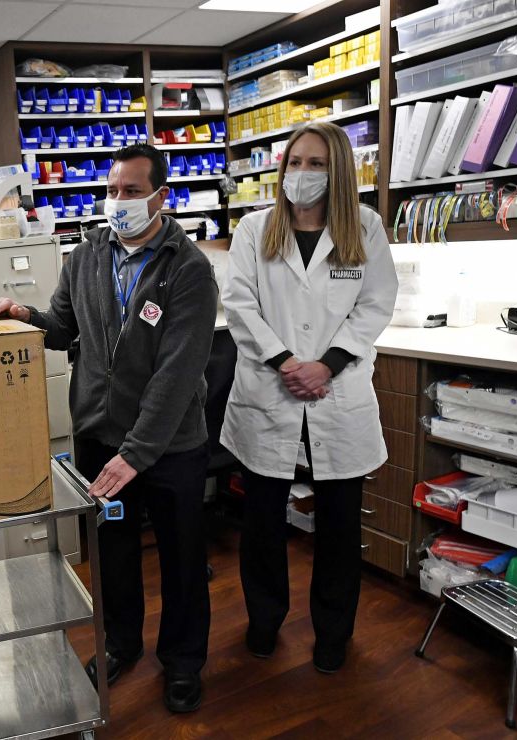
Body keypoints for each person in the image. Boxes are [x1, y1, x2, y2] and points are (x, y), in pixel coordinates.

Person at [0, 144, 217, 713]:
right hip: (98, 434)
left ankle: (183, 662)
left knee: (183, 558)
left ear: (162, 197)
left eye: (132, 191)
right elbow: (65, 328)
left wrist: (136, 454)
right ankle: (120, 643)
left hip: (168, 447)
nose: (118, 202)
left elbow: (177, 375)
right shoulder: (86, 255)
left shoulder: (189, 270)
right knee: (111, 553)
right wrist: (26, 315)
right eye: (112, 190)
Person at [221, 121, 397, 674]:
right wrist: (285, 362)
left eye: (316, 163)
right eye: (294, 162)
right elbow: (239, 303)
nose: (302, 173)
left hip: (336, 393)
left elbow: (374, 305)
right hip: (269, 392)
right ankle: (264, 621)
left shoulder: (364, 228)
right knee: (263, 525)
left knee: (339, 528)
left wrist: (326, 365)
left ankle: (333, 632)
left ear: (338, 170)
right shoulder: (255, 228)